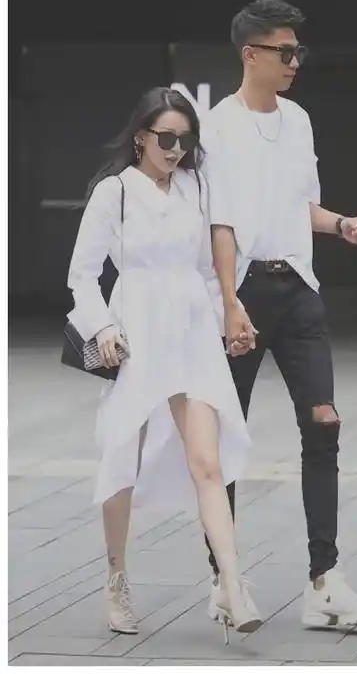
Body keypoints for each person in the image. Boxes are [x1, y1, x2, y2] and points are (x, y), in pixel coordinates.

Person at [201, 0, 357, 630]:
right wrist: (229, 303)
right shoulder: (219, 127)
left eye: (298, 51)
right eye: (284, 51)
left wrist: (342, 224)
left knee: (324, 423)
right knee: (225, 437)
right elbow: (221, 223)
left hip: (298, 286)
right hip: (242, 289)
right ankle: (225, 580)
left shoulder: (299, 120)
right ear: (249, 54)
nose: (294, 61)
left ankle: (324, 583)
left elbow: (303, 204)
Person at [66, 87, 262, 641]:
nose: (177, 150)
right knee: (121, 460)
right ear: (141, 137)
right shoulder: (114, 192)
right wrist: (103, 327)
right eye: (167, 139)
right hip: (136, 329)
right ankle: (116, 578)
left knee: (207, 462)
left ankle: (232, 582)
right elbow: (82, 275)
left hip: (191, 329)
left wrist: (228, 314)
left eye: (185, 140)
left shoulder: (196, 187)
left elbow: (210, 265)